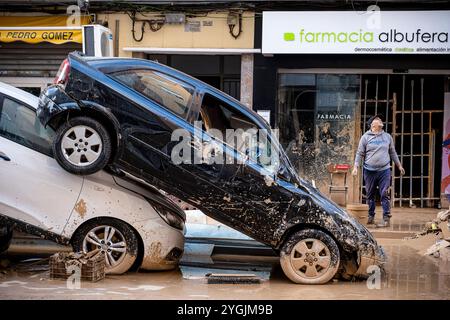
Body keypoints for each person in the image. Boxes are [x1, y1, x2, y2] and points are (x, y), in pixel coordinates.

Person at [352, 115, 405, 227]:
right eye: (378, 120)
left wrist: (399, 166)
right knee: (370, 194)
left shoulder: (387, 137)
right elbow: (359, 153)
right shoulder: (365, 137)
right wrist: (355, 167)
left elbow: (392, 152)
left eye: (381, 120)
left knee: (384, 193)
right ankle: (370, 216)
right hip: (369, 171)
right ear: (373, 125)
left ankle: (386, 217)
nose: (380, 121)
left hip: (384, 170)